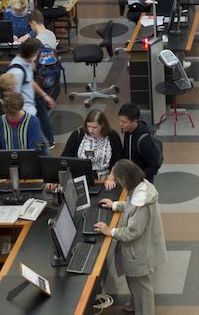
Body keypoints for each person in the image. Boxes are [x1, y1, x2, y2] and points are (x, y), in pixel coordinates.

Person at [93, 159, 167, 315]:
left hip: (140, 252)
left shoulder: (142, 202)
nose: (118, 183)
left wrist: (110, 231)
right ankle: (135, 305)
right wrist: (115, 205)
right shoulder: (141, 187)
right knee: (134, 282)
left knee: (142, 286)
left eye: (119, 180)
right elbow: (129, 205)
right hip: (138, 250)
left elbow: (133, 232)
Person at [7, 37, 56, 148]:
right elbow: (13, 100)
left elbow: (29, 80)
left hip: (31, 116)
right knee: (39, 148)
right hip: (25, 120)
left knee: (40, 147)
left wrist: (44, 96)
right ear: (33, 53)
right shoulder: (16, 73)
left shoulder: (25, 62)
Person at [62, 109, 123, 182]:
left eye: (94, 127)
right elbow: (65, 158)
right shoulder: (77, 134)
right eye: (88, 126)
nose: (90, 130)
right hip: (80, 177)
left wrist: (111, 176)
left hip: (105, 179)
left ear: (102, 125)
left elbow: (118, 160)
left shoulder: (113, 136)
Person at [117, 103, 163, 183]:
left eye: (124, 122)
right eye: (120, 120)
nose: (121, 124)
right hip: (130, 177)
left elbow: (154, 165)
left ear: (134, 121)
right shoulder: (127, 130)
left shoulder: (145, 140)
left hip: (142, 180)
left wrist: (139, 178)